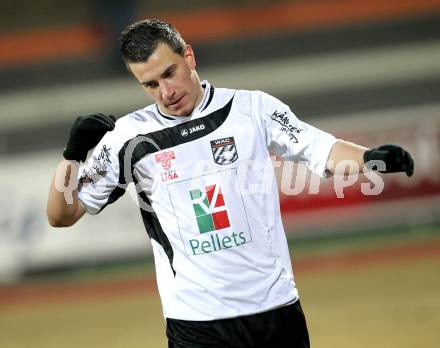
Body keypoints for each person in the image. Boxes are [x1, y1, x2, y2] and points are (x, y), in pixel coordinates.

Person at [47, 19, 414, 348]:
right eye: (150, 85)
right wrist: (72, 156)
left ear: (189, 56)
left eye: (170, 73)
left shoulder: (252, 109)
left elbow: (321, 149)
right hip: (196, 322)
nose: (165, 91)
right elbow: (61, 215)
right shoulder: (128, 137)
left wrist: (370, 158)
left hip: (274, 309)